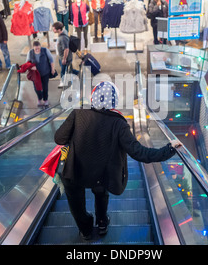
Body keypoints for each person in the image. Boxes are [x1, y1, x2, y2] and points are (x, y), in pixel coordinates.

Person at [54, 81, 183, 240]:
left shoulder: (78, 113)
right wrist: (169, 149)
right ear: (114, 101)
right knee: (101, 192)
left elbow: (59, 138)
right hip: (100, 175)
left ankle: (85, 229)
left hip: (75, 170)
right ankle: (102, 223)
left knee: (75, 199)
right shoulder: (119, 124)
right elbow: (139, 152)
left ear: (94, 96)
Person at [26, 40, 55, 107]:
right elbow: (27, 63)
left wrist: (52, 69)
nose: (37, 50)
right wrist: (31, 67)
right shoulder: (30, 53)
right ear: (33, 47)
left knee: (45, 88)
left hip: (45, 73)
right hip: (35, 75)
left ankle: (45, 100)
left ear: (40, 47)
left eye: (39, 48)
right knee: (37, 88)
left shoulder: (45, 50)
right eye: (36, 49)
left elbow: (51, 59)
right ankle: (39, 98)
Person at [52, 21, 79, 87]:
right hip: (63, 57)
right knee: (69, 68)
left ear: (58, 30)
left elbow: (66, 49)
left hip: (65, 58)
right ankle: (77, 73)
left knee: (63, 71)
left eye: (54, 29)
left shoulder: (63, 38)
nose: (53, 30)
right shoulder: (63, 33)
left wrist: (64, 59)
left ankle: (63, 82)